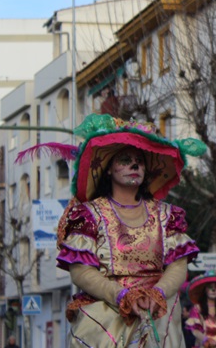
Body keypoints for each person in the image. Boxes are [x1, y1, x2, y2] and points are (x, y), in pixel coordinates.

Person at [30, 114, 206, 347]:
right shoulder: (90, 215)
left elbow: (178, 265)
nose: (134, 165)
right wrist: (121, 295)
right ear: (109, 169)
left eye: (140, 161)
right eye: (125, 160)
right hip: (107, 309)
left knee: (165, 317)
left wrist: (158, 294)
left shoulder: (167, 215)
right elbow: (81, 270)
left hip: (156, 313)